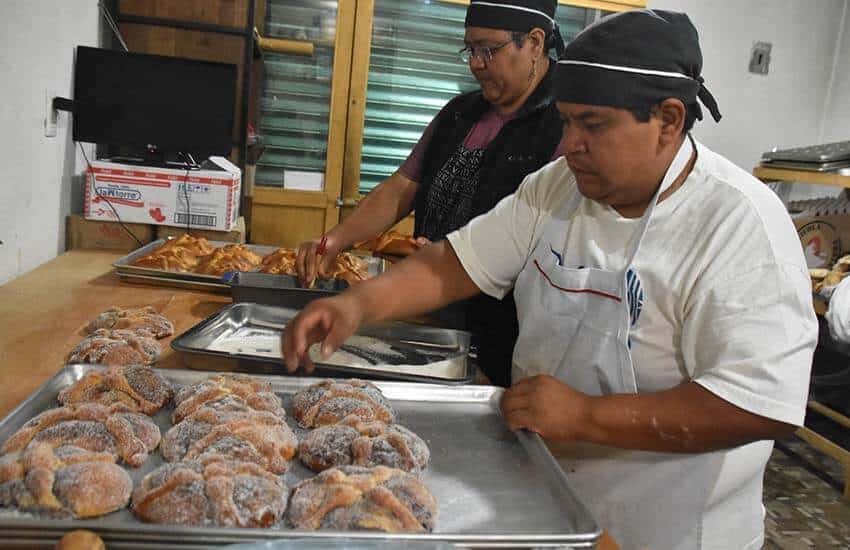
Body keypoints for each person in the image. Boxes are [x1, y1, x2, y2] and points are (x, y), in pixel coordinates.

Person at [282, 9, 817, 549]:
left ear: (669, 120)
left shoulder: (740, 226)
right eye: (566, 121)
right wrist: (357, 304)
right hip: (546, 499)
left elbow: (757, 405)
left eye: (593, 124)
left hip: (664, 527)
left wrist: (587, 416)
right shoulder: (557, 187)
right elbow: (455, 263)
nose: (572, 143)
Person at [294, 0, 568, 387]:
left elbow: (549, 246)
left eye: (488, 50)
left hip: (502, 342)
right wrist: (336, 239)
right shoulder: (460, 113)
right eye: (470, 49)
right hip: (427, 310)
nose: (475, 63)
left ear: (535, 44)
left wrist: (450, 259)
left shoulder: (566, 126)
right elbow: (401, 188)